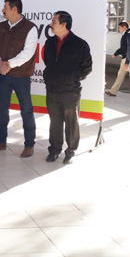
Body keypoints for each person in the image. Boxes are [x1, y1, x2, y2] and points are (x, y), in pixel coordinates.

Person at [0, 0, 38, 157]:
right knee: (2, 109)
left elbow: (28, 52)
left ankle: (29, 144)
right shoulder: (1, 26)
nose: (3, 10)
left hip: (21, 76)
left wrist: (9, 65)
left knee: (26, 110)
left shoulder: (30, 28)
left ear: (14, 9)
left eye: (5, 7)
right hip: (3, 75)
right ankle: (0, 141)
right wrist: (0, 62)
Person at [43, 11, 92, 164]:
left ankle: (70, 151)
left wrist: (73, 79)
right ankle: (54, 149)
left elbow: (87, 67)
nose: (51, 24)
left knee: (71, 122)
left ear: (63, 24)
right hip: (52, 89)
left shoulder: (79, 44)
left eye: (54, 22)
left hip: (70, 91)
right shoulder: (49, 43)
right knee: (55, 122)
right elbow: (48, 62)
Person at [106, 21, 130, 97]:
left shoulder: (127, 35)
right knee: (123, 75)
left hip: (128, 58)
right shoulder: (128, 34)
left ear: (124, 27)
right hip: (128, 58)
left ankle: (113, 91)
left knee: (128, 76)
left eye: (119, 28)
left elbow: (124, 48)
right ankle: (113, 91)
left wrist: (116, 53)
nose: (119, 30)